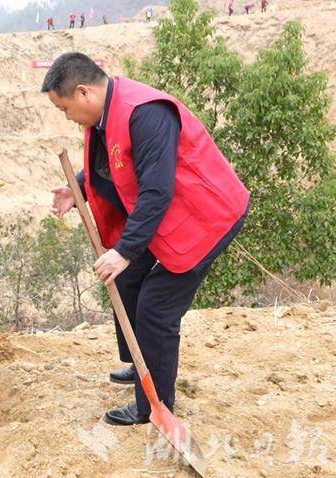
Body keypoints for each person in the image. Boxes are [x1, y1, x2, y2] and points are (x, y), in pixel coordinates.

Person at [41, 52, 249, 426]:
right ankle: (142, 365)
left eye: (64, 107)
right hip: (166, 213)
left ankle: (152, 406)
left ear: (84, 93)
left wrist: (124, 250)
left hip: (204, 216)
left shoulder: (145, 112)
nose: (66, 117)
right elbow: (115, 168)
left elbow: (155, 190)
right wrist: (81, 189)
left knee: (156, 308)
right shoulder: (106, 117)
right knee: (126, 278)